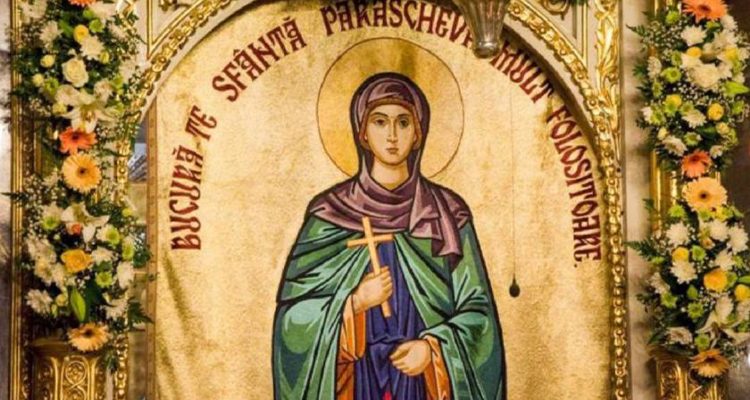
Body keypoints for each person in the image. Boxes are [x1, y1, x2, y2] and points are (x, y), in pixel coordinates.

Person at [272, 72, 506, 400]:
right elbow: (291, 326)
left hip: (422, 382)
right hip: (356, 381)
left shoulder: (447, 214)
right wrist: (354, 304)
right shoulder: (328, 214)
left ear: (418, 133)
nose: (392, 136)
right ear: (363, 133)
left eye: (403, 123)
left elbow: (479, 315)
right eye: (380, 122)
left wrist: (433, 349)